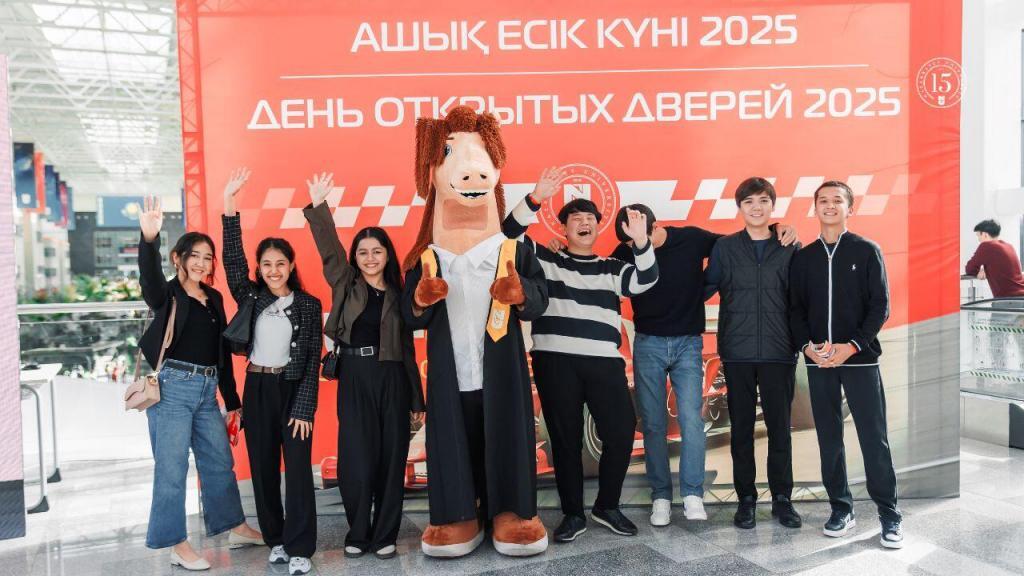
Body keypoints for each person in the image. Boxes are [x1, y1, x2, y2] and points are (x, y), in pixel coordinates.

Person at [609, 199, 796, 527]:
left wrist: (777, 227)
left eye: (641, 237)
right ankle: (661, 497)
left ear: (656, 226)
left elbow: (736, 244)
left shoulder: (692, 238)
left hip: (688, 342)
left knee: (692, 422)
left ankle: (693, 494)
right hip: (648, 343)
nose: (636, 245)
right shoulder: (625, 250)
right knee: (653, 424)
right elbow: (596, 272)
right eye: (629, 240)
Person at [503, 168, 657, 543]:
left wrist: (641, 242)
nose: (584, 223)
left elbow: (645, 280)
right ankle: (573, 514)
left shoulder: (612, 268)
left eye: (590, 218)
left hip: (604, 362)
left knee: (621, 429)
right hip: (555, 360)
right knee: (565, 439)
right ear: (564, 228)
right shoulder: (545, 260)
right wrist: (535, 198)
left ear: (598, 227)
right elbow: (508, 235)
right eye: (576, 219)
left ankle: (607, 506)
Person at [303, 172, 425, 560]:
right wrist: (319, 207)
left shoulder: (400, 293)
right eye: (363, 252)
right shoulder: (345, 283)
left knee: (392, 457)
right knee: (356, 459)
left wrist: (416, 399)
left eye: (377, 251)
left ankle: (385, 534)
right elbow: (329, 250)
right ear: (355, 258)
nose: (370, 258)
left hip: (392, 378)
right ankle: (358, 532)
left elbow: (407, 349)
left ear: (387, 255)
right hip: (355, 376)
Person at [136, 196, 263, 571]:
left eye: (208, 257)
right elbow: (149, 280)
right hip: (173, 390)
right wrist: (149, 238)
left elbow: (221, 352)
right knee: (172, 470)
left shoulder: (214, 297)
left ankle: (235, 526)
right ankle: (176, 544)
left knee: (220, 463)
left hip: (207, 391)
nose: (202, 263)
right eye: (195, 255)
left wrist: (232, 400)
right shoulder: (168, 294)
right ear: (178, 258)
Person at [789, 180, 904, 549]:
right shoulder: (804, 258)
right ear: (815, 208)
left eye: (837, 200)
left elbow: (880, 306)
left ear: (849, 208)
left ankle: (889, 514)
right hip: (819, 362)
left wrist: (852, 346)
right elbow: (795, 309)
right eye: (823, 200)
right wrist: (808, 348)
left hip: (860, 361)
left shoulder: (867, 250)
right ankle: (841, 509)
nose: (829, 205)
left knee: (874, 438)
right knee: (829, 438)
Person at [221, 169, 322, 576]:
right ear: (259, 269)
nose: (274, 270)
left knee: (297, 472)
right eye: (266, 264)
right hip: (258, 387)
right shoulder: (251, 297)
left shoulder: (309, 305)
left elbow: (312, 357)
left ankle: (300, 547)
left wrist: (304, 407)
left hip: (293, 389)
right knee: (263, 469)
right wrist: (229, 206)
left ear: (291, 264)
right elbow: (232, 260)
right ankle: (276, 540)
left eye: (280, 263)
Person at [703, 177, 802, 530]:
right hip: (738, 352)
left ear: (772, 205)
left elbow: (803, 296)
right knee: (741, 431)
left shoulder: (789, 245)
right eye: (749, 202)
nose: (756, 207)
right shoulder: (726, 248)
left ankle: (782, 499)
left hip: (779, 350)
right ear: (740, 207)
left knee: (780, 430)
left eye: (763, 201)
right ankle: (746, 499)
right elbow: (704, 287)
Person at [965, 219, 1024, 297]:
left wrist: (978, 272)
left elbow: (969, 269)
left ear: (985, 234)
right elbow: (1001, 267)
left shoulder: (986, 246)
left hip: (1009, 298)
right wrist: (986, 270)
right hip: (1020, 295)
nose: (979, 239)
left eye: (978, 235)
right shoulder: (1009, 246)